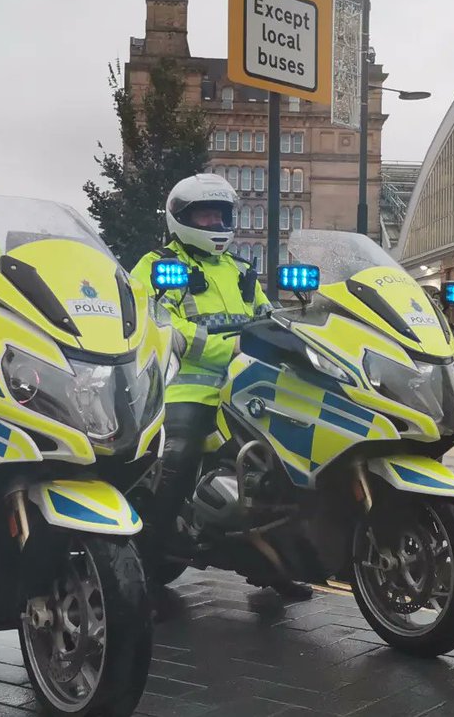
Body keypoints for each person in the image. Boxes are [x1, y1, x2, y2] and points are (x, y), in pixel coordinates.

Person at [131, 173, 312, 602]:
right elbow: (159, 324)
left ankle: (274, 564)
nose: (214, 224)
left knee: (282, 467)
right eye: (205, 215)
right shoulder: (158, 266)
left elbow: (269, 318)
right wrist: (224, 348)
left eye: (220, 215)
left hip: (248, 388)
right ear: (182, 218)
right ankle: (142, 570)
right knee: (178, 458)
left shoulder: (241, 270)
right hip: (186, 390)